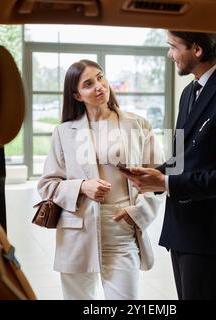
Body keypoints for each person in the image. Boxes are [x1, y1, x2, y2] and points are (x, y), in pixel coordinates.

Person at [122, 31, 216, 299]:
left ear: (196, 50)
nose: (169, 54)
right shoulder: (189, 92)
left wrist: (167, 183)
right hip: (181, 229)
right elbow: (181, 157)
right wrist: (156, 174)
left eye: (173, 47)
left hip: (209, 233)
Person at [37, 59, 163, 300]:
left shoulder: (138, 125)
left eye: (100, 77)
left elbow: (159, 179)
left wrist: (136, 213)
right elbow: (47, 185)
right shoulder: (63, 132)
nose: (99, 86)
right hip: (76, 231)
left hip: (122, 230)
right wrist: (83, 186)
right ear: (76, 95)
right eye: (88, 83)